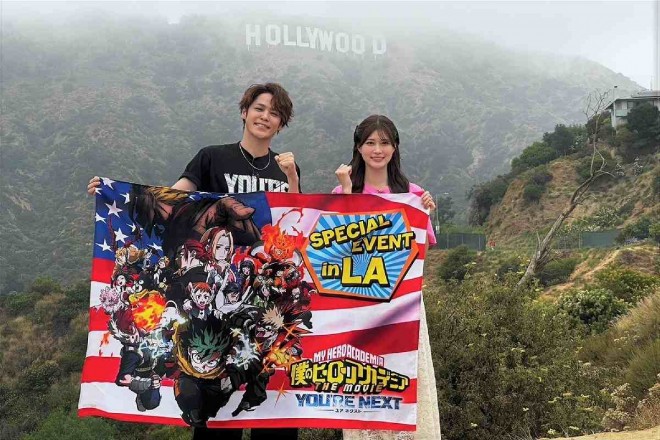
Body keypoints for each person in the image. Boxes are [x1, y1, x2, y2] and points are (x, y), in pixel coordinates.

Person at [88, 82, 300, 440]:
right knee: (214, 419)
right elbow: (173, 197)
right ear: (244, 112)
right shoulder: (212, 157)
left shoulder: (284, 169)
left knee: (272, 420)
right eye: (260, 108)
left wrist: (293, 177)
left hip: (254, 294)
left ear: (282, 124)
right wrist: (117, 197)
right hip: (208, 307)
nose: (266, 116)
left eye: (275, 112)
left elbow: (296, 219)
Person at [333, 115, 442, 440]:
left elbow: (419, 255)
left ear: (395, 148)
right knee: (363, 384)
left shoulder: (413, 194)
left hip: (403, 305)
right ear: (358, 147)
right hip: (360, 306)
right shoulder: (343, 190)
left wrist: (424, 212)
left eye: (384, 142)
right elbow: (336, 252)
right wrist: (349, 194)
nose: (377, 149)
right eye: (370, 142)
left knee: (407, 379)